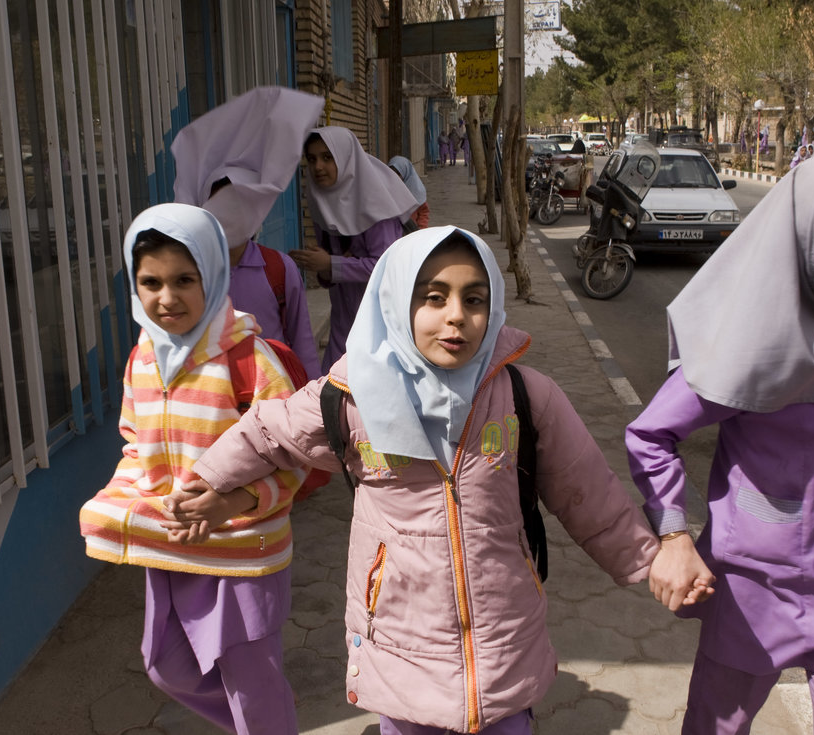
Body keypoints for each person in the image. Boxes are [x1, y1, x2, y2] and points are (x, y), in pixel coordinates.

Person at [187, 226, 662, 735]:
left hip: (502, 643)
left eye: (474, 299)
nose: (457, 315)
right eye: (433, 297)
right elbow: (267, 430)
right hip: (399, 640)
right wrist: (210, 481)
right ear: (395, 302)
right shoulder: (349, 398)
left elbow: (586, 489)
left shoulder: (526, 396)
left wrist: (649, 560)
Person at [625, 152, 814, 734]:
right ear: (806, 252)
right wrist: (674, 536)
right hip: (753, 590)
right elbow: (651, 435)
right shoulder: (744, 347)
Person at [78, 203, 306, 734]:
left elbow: (297, 456)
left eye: (185, 279)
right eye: (150, 282)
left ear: (214, 274)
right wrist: (119, 508)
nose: (167, 297)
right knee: (167, 667)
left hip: (244, 554)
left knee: (253, 684)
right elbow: (135, 445)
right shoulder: (143, 358)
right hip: (173, 547)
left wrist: (232, 500)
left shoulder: (249, 359)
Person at [171, 86, 325, 380]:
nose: (230, 216)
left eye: (241, 203)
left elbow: (303, 342)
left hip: (273, 399)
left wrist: (312, 400)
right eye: (222, 202)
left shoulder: (279, 269)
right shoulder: (190, 273)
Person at [291, 126, 418, 372]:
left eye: (327, 157)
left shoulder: (374, 204)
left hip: (382, 318)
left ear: (345, 158)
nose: (318, 167)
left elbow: (386, 266)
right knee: (335, 388)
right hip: (344, 316)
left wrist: (331, 264)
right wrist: (321, 265)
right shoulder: (321, 200)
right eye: (312, 159)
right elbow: (332, 265)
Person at [388, 155, 430, 229]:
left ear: (405, 172)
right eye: (392, 173)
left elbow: (423, 212)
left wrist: (421, 229)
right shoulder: (386, 189)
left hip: (412, 231)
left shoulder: (417, 191)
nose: (395, 176)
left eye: (398, 173)